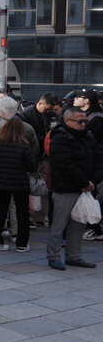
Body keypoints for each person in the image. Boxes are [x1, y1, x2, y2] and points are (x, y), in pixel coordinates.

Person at [46, 107, 103, 270]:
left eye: (85, 120)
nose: (84, 124)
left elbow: (99, 159)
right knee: (59, 224)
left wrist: (93, 180)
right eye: (80, 121)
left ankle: (74, 256)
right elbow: (64, 164)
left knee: (78, 225)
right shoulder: (59, 137)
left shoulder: (88, 136)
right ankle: (53, 256)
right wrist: (84, 181)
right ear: (67, 120)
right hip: (66, 188)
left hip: (85, 188)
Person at [0, 116, 36, 253]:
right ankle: (22, 244)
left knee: (0, 212)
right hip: (19, 183)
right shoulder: (24, 145)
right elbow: (31, 166)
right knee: (22, 214)